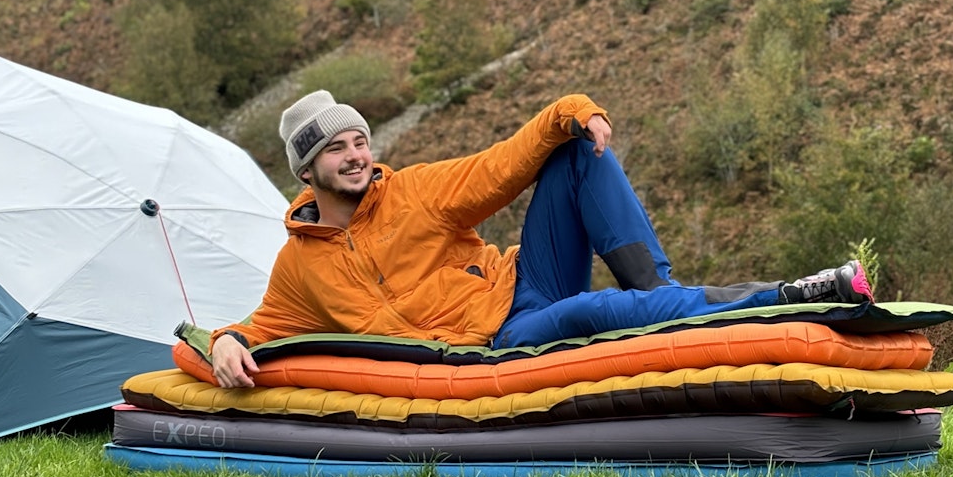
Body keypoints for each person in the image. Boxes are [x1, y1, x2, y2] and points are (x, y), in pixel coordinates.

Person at [210, 91, 872, 388]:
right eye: (337, 149)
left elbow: (507, 161)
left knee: (573, 153)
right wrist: (226, 342)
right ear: (307, 171)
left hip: (525, 282)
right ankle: (783, 295)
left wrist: (569, 111)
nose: (357, 156)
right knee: (595, 312)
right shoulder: (301, 266)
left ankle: (669, 297)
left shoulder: (415, 191)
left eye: (360, 141)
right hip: (497, 341)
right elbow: (262, 325)